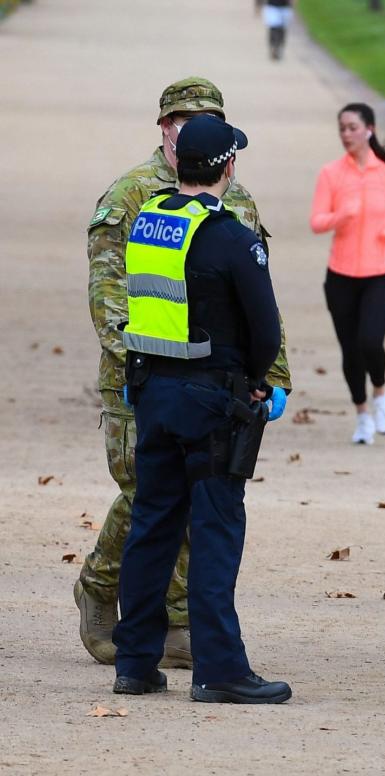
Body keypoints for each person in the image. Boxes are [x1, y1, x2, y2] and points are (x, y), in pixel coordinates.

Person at [78, 77, 291, 669]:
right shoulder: (130, 197)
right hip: (143, 373)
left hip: (211, 375)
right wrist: (135, 365)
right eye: (179, 118)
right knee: (148, 494)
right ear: (162, 127)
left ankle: (175, 625)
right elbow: (109, 295)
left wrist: (272, 373)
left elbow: (257, 298)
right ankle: (99, 585)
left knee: (195, 493)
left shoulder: (237, 199)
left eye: (203, 117)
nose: (186, 128)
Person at [311, 103, 385, 445]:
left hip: (381, 272)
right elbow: (316, 222)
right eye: (341, 128)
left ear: (369, 129)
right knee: (350, 349)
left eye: (352, 127)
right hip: (340, 274)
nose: (346, 134)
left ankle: (381, 394)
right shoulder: (331, 173)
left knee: (370, 340)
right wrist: (339, 216)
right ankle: (361, 415)